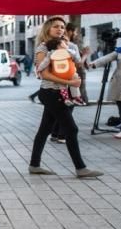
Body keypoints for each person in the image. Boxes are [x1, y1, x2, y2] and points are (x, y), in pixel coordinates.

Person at [29, 17, 103, 178]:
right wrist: (70, 82)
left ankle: (34, 165)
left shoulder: (66, 46)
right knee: (71, 129)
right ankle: (80, 168)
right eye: (56, 26)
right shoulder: (43, 48)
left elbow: (74, 64)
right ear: (48, 29)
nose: (60, 29)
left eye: (62, 27)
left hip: (61, 92)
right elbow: (44, 74)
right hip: (51, 93)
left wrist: (72, 52)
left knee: (45, 130)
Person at [39, 38, 86, 107]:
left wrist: (39, 68)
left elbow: (45, 62)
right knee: (75, 81)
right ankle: (76, 97)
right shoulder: (69, 51)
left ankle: (66, 98)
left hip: (58, 73)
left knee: (62, 86)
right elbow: (77, 60)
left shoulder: (51, 53)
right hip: (70, 72)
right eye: (64, 43)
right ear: (59, 45)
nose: (66, 44)